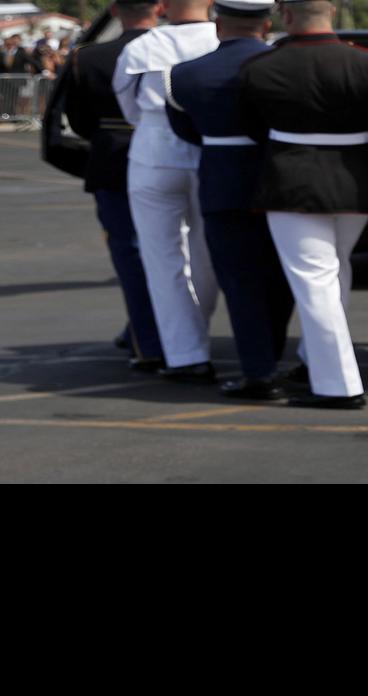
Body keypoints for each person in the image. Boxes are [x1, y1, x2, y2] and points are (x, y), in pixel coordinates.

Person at [237, 0, 368, 408]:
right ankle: (314, 362)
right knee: (332, 272)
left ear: (287, 15)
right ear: (333, 11)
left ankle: (337, 385)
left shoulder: (260, 66)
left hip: (292, 179)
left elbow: (251, 125)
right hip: (354, 177)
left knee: (316, 280)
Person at [164, 0, 295, 400]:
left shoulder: (186, 74)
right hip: (283, 180)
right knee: (281, 277)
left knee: (240, 282)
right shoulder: (287, 67)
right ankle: (271, 355)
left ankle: (258, 369)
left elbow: (186, 130)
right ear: (267, 24)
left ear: (218, 24)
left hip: (223, 181)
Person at [114, 0, 221, 384]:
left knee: (163, 260)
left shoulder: (142, 46)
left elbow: (129, 108)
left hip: (155, 148)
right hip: (210, 145)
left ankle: (186, 352)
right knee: (208, 252)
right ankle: (195, 334)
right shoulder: (220, 38)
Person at [58, 0, 165, 372]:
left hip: (113, 158)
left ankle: (148, 340)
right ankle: (149, 329)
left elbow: (80, 119)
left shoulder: (89, 58)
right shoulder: (171, 48)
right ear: (161, 6)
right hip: (173, 156)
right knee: (176, 255)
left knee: (130, 254)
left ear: (116, 10)